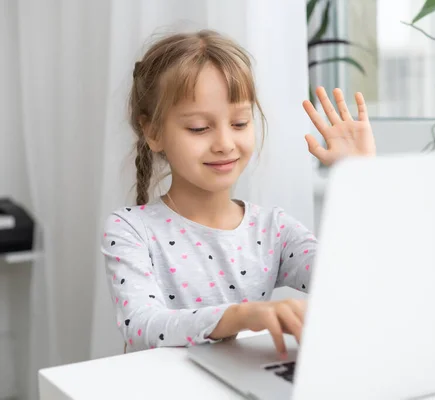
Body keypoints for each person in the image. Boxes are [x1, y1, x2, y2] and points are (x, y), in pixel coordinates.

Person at [101, 30, 376, 358]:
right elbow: (143, 326)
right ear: (153, 131)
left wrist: (362, 182)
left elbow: (353, 277)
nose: (224, 144)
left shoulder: (274, 230)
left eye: (240, 123)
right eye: (200, 128)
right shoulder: (131, 230)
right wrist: (240, 315)